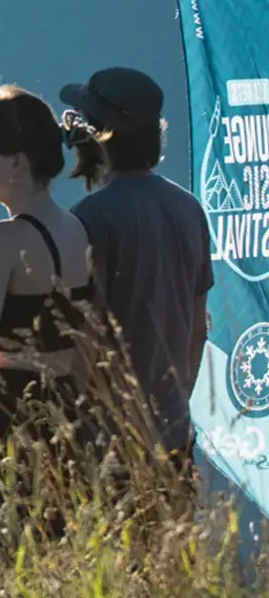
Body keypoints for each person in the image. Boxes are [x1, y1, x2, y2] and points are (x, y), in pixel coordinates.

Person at [61, 66, 212, 467]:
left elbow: (83, 338)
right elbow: (198, 329)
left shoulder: (88, 217)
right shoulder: (189, 209)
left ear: (96, 134)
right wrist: (176, 403)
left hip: (106, 442)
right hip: (175, 435)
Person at [0, 86, 96, 445]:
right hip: (64, 413)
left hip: (4, 416)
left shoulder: (1, 240)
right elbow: (86, 345)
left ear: (17, 163)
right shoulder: (75, 228)